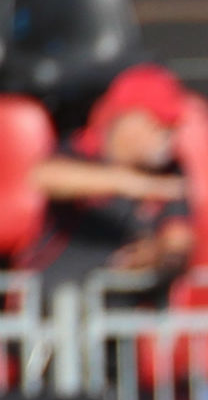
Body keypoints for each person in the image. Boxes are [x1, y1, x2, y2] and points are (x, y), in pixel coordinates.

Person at [19, 62, 193, 290]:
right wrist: (131, 183)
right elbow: (43, 177)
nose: (166, 136)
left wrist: (155, 255)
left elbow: (178, 239)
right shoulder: (80, 151)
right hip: (59, 297)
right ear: (125, 118)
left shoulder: (170, 172)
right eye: (157, 124)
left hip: (126, 304)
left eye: (171, 127)